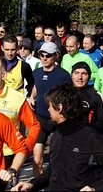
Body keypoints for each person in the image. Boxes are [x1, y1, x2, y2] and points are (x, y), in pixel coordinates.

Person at [11, 83, 103, 191]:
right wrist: (32, 184)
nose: (48, 110)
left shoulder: (91, 138)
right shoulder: (57, 134)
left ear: (60, 108)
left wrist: (97, 189)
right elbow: (53, 171)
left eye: (50, 106)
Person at [0, 56, 41, 169]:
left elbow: (34, 125)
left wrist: (25, 149)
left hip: (7, 156)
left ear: (4, 75)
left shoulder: (17, 98)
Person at [29, 42, 72, 177]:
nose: (44, 58)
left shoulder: (63, 75)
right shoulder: (36, 73)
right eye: (42, 55)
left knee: (58, 158)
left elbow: (69, 96)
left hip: (57, 121)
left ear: (56, 56)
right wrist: (32, 96)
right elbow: (37, 85)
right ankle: (38, 186)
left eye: (48, 55)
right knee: (37, 159)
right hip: (40, 119)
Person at [71, 62, 103, 135]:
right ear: (71, 75)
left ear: (89, 76)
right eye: (76, 73)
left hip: (88, 137)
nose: (80, 77)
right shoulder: (64, 93)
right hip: (68, 138)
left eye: (84, 74)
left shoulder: (96, 95)